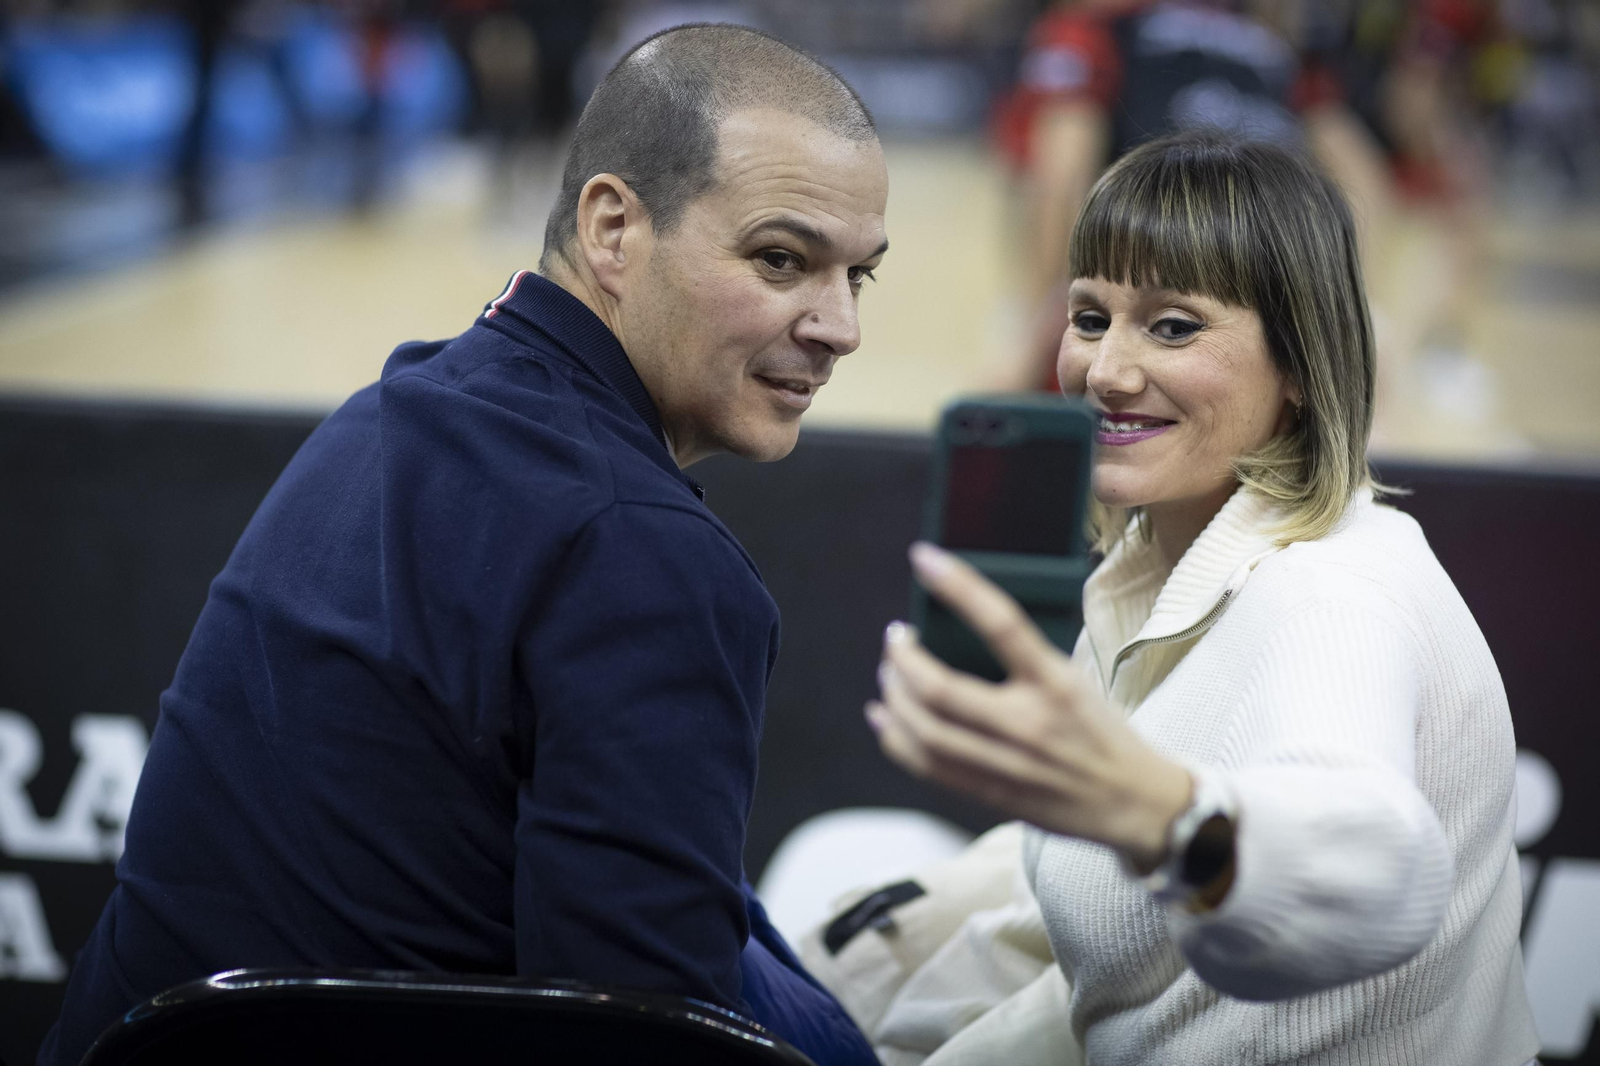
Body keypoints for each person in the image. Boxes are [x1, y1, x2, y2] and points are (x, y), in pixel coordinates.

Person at [39, 23, 888, 1066]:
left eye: (862, 277)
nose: (840, 325)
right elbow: (648, 1037)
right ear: (614, 228)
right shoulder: (646, 551)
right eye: (782, 259)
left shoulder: (393, 405)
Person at [864, 130, 1539, 1064]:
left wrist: (1164, 818)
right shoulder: (1149, 570)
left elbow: (1376, 867)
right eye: (1090, 317)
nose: (1105, 372)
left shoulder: (1330, 591)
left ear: (1301, 367)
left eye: (1173, 326)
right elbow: (1074, 960)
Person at [985, 0, 1395, 395]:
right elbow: (1364, 180)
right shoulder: (1277, 45)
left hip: (1155, 268)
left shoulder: (1103, 25)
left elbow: (1062, 172)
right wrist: (1360, 318)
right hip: (1269, 292)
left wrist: (1037, 318)